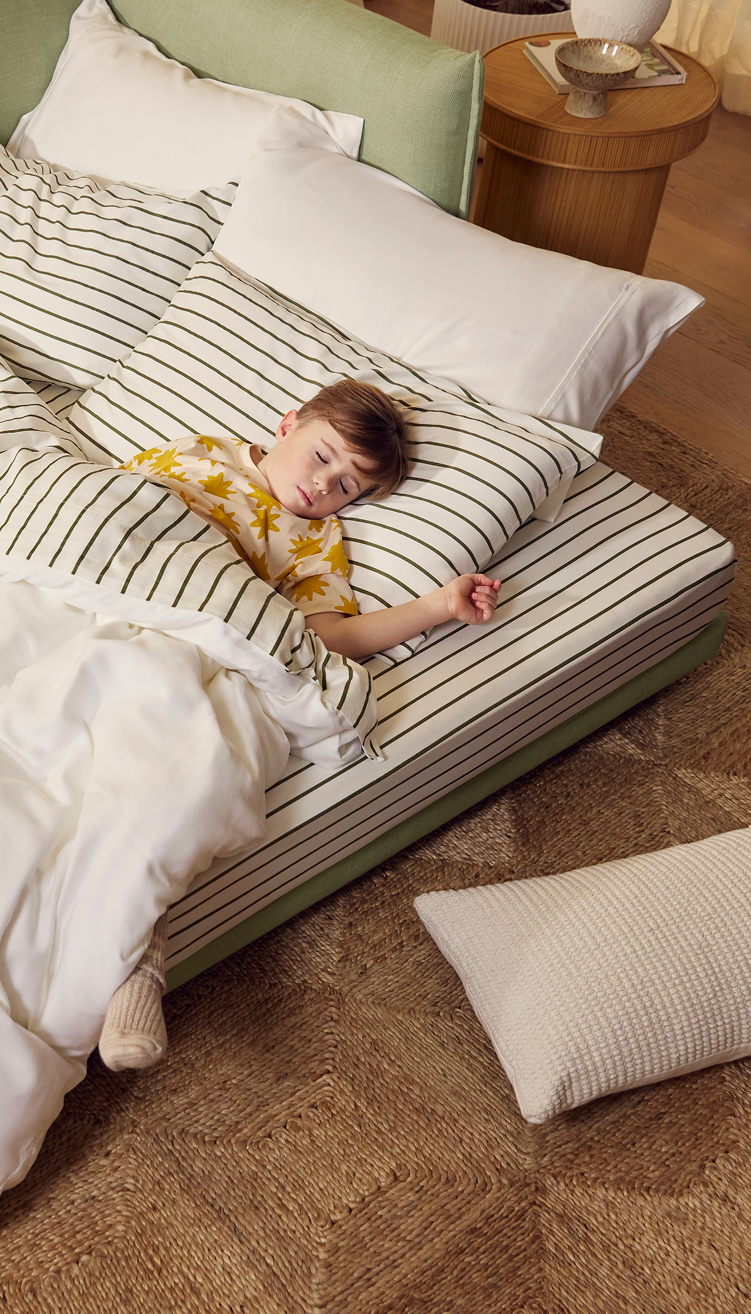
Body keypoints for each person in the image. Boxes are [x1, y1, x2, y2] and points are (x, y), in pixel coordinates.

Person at [95, 379, 502, 1072]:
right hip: (107, 590)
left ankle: (136, 962)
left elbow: (332, 639)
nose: (326, 487)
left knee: (168, 758)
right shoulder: (200, 452)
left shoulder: (314, 541)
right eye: (322, 458)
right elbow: (107, 508)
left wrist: (437, 605)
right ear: (287, 424)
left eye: (348, 486)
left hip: (185, 637)